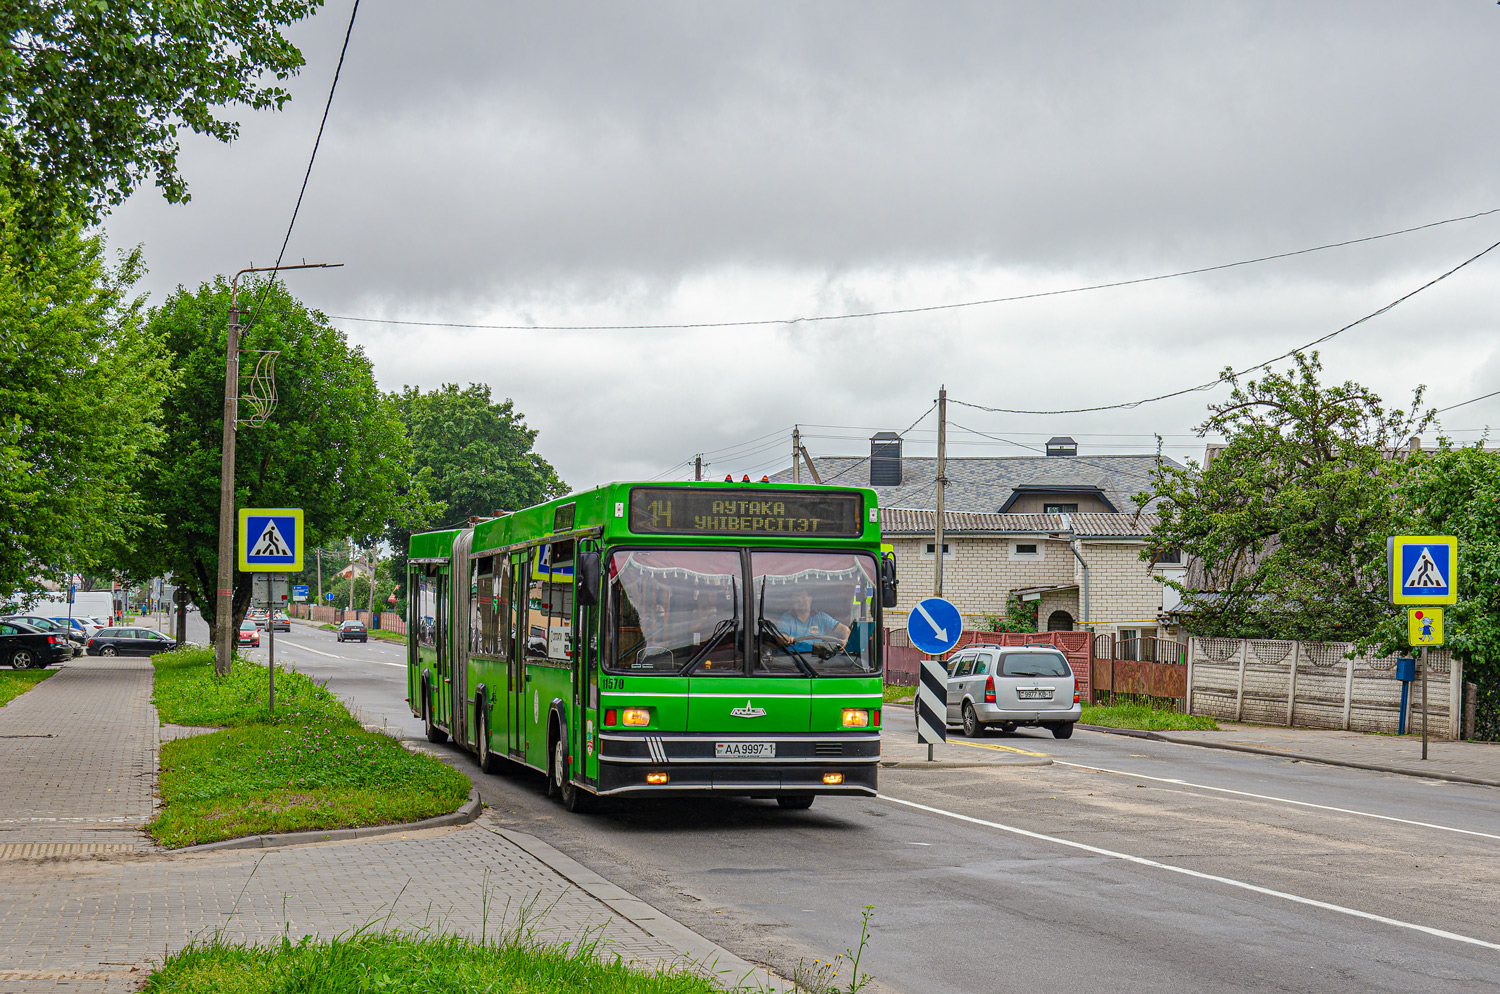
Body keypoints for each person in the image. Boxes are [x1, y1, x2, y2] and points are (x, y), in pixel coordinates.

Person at [775, 588, 849, 650]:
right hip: (792, 659)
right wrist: (786, 639)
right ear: (792, 601)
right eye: (796, 598)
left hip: (816, 660)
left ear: (810, 599)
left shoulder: (821, 617)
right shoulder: (786, 617)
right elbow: (781, 636)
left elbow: (843, 629)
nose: (800, 601)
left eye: (803, 597)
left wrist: (846, 640)